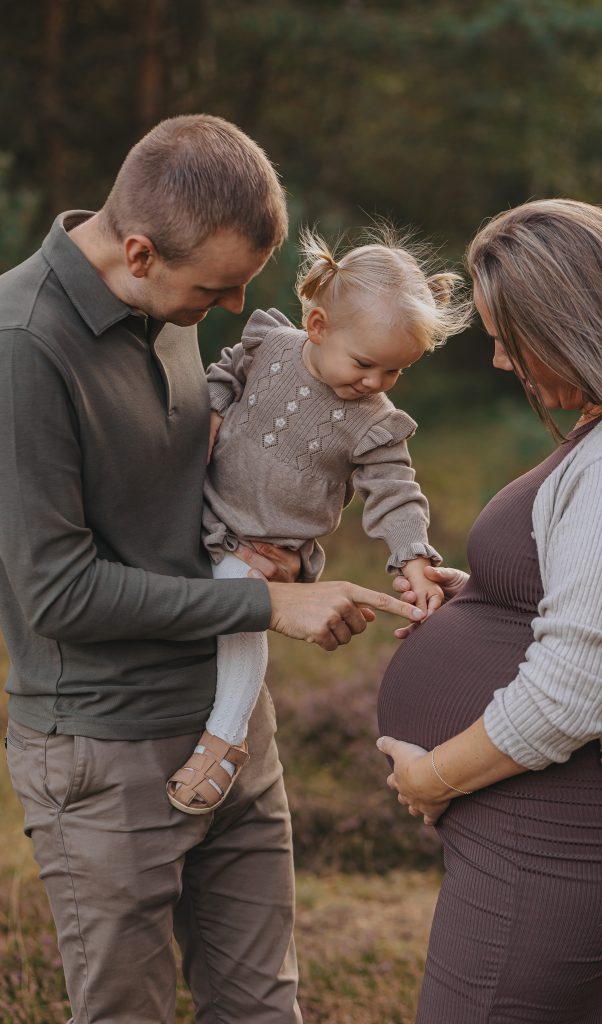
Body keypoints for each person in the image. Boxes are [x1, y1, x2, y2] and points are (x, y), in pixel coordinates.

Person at [0, 114, 424, 1024]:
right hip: (106, 753)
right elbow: (56, 593)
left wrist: (277, 546)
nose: (233, 311)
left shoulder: (174, 304)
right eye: (218, 289)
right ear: (141, 253)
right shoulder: (22, 347)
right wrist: (271, 611)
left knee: (265, 1009)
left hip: (235, 732)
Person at [375, 199, 602, 1023]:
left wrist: (430, 776)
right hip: (574, 842)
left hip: (558, 848)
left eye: (509, 339)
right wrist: (478, 595)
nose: (502, 362)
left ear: (572, 328)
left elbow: (576, 689)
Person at [166, 227, 469, 813]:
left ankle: (227, 739)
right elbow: (225, 371)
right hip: (201, 512)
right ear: (318, 327)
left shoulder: (374, 422)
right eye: (365, 364)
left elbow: (396, 491)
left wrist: (412, 556)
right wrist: (216, 408)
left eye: (394, 373)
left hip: (263, 546)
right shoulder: (268, 343)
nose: (376, 384)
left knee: (241, 604)